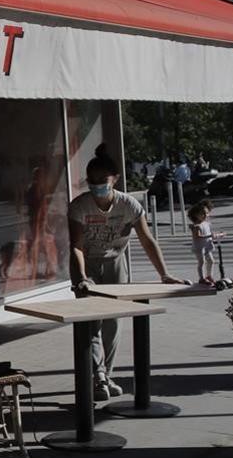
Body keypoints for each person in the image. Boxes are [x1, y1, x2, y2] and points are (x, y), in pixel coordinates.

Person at [69, 145, 188, 401]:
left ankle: (105, 375)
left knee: (113, 323)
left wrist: (164, 274)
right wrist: (81, 277)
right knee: (91, 324)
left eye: (103, 181)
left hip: (115, 263)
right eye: (92, 181)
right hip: (86, 266)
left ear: (115, 179)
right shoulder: (79, 206)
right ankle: (98, 376)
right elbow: (76, 246)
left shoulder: (129, 205)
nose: (97, 186)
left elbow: (147, 239)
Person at [188, 202, 224, 286]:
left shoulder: (206, 223)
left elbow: (210, 233)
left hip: (206, 246)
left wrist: (218, 234)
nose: (205, 215)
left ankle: (209, 276)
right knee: (202, 262)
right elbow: (197, 237)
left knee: (211, 261)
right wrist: (210, 236)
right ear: (196, 215)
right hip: (199, 247)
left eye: (206, 213)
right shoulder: (196, 226)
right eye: (202, 213)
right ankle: (201, 278)